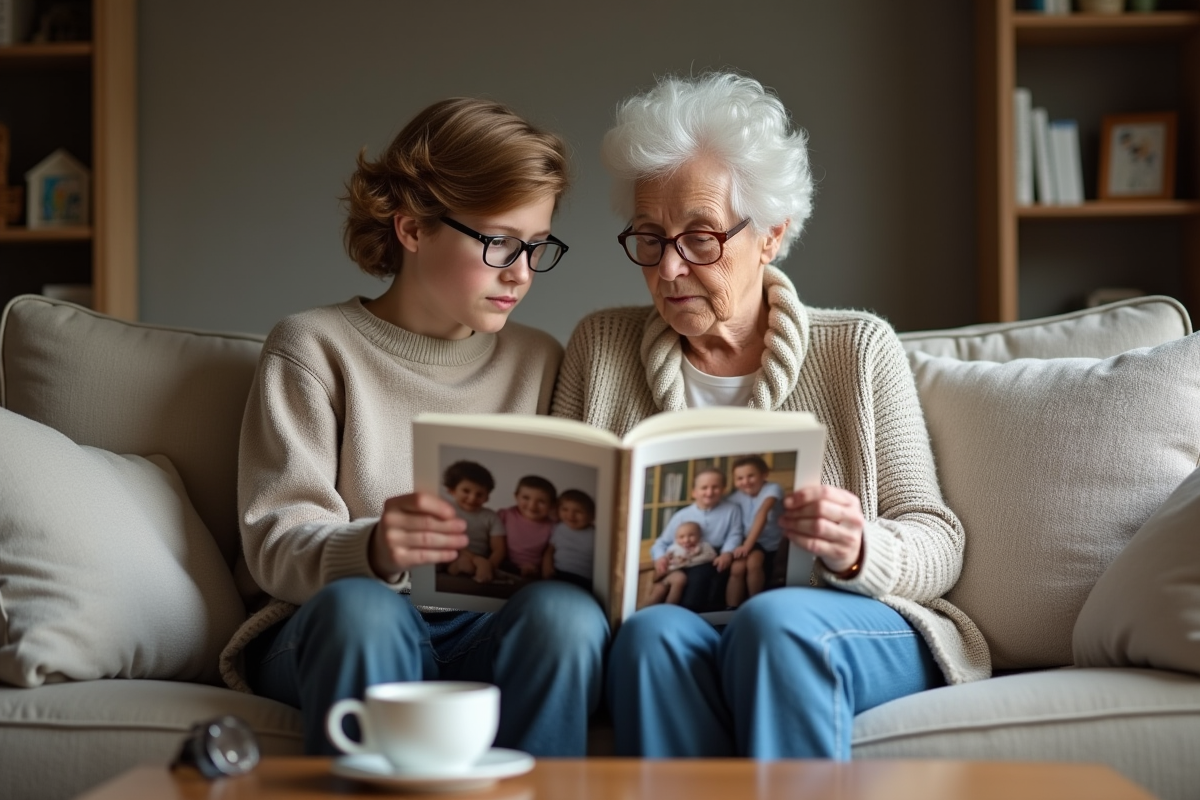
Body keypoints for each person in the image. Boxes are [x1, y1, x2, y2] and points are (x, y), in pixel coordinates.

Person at [551, 71, 989, 759]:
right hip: (676, 613)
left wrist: (862, 549)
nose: (669, 270)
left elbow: (938, 539)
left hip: (848, 620)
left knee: (771, 621)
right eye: (648, 239)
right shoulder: (598, 348)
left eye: (700, 238)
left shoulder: (858, 349)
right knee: (648, 636)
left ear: (772, 235)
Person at [220, 97, 608, 756]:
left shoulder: (540, 359)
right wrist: (371, 550)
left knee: (567, 617)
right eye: (498, 242)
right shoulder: (313, 348)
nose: (520, 273)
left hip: (488, 630)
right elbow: (273, 541)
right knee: (364, 611)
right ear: (412, 229)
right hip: (339, 622)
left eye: (537, 248)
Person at [648, 467, 743, 611]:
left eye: (715, 487)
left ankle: (700, 612)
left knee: (704, 576)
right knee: (678, 580)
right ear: (694, 492)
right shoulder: (682, 515)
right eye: (704, 488)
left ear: (723, 489)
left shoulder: (732, 510)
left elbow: (735, 534)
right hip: (682, 557)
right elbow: (661, 542)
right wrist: (660, 557)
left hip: (712, 555)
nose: (709, 492)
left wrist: (727, 552)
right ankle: (679, 610)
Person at [725, 455, 785, 607]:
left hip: (768, 542)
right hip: (747, 540)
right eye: (739, 478)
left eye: (751, 476)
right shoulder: (735, 497)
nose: (745, 482)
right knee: (737, 568)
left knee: (753, 563)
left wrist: (747, 546)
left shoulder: (772, 489)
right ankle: (731, 608)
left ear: (764, 474)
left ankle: (755, 604)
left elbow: (762, 514)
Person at [442, 460, 506, 584]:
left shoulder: (491, 517)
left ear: (487, 497)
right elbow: (450, 542)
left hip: (481, 560)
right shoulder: (446, 510)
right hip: (454, 554)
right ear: (452, 490)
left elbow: (499, 549)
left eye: (479, 494)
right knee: (465, 564)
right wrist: (477, 560)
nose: (472, 498)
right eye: (466, 491)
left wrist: (488, 566)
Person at [497, 475, 558, 578]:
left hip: (535, 570)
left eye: (541, 502)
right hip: (504, 564)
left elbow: (549, 553)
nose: (532, 505)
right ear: (516, 497)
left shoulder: (553, 526)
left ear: (551, 505)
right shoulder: (505, 515)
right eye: (526, 498)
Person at [646, 521, 717, 606]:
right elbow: (669, 561)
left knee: (679, 580)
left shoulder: (703, 546)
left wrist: (692, 557)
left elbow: (711, 556)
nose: (686, 540)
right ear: (676, 539)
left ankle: (670, 607)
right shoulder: (674, 548)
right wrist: (671, 561)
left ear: (699, 536)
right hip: (672, 572)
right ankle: (645, 610)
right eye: (681, 537)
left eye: (691, 536)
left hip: (690, 571)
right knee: (659, 590)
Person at [541, 489, 596, 591]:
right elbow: (550, 549)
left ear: (591, 516)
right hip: (557, 573)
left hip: (583, 579)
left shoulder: (596, 534)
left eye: (578, 512)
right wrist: (547, 567)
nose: (570, 515)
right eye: (565, 509)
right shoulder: (559, 527)